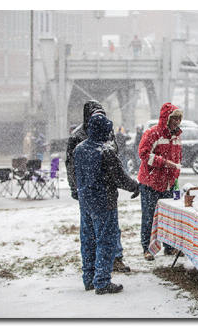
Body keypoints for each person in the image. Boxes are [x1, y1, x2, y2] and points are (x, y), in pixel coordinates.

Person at [74, 113, 139, 294]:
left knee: (88, 240)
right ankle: (102, 281)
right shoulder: (105, 151)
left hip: (85, 201)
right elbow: (119, 176)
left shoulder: (79, 149)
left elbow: (75, 174)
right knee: (106, 241)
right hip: (104, 202)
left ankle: (89, 279)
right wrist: (135, 186)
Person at [65, 100, 131, 273]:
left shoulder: (104, 134)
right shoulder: (78, 137)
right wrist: (74, 187)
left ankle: (110, 261)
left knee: (108, 230)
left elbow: (114, 157)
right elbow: (71, 165)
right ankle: (99, 272)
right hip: (92, 191)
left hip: (102, 191)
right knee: (94, 233)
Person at [137, 103, 183, 261]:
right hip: (150, 183)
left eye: (179, 118)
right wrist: (163, 163)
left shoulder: (177, 137)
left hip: (168, 183)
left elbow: (178, 157)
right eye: (174, 118)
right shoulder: (152, 133)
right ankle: (147, 248)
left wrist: (175, 173)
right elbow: (143, 153)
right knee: (149, 217)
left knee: (168, 217)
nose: (177, 121)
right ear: (167, 118)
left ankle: (169, 247)